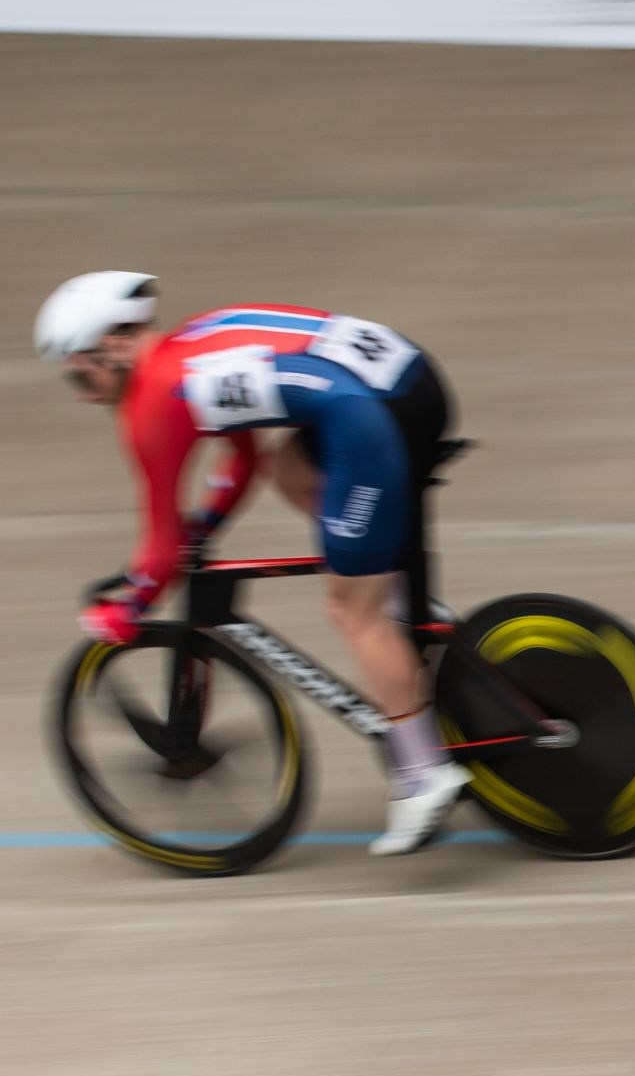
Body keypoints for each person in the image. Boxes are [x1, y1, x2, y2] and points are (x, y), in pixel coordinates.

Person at [36, 272, 468, 856]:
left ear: (113, 344)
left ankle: (423, 774)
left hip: (366, 416)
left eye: (80, 374)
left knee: (354, 613)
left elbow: (160, 547)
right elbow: (244, 457)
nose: (82, 395)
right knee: (288, 467)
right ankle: (397, 592)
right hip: (408, 380)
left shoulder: (152, 403)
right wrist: (207, 525)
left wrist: (128, 609)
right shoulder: (192, 344)